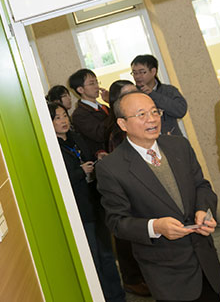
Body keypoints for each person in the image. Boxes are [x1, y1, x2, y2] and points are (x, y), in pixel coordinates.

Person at [96, 91, 220, 302]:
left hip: (205, 260)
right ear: (123, 124)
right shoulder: (111, 168)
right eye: (141, 114)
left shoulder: (179, 146)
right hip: (167, 271)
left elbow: (201, 186)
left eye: (155, 112)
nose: (152, 119)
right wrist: (155, 227)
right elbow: (117, 222)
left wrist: (204, 210)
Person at [48, 102, 126, 302]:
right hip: (79, 209)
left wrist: (98, 156)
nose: (63, 121)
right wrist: (80, 172)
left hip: (96, 202)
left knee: (107, 254)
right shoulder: (52, 148)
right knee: (93, 258)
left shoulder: (75, 138)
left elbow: (89, 156)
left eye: (64, 116)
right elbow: (57, 180)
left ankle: (118, 296)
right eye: (57, 118)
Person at [101, 80, 150, 297]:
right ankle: (133, 279)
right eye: (126, 94)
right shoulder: (117, 131)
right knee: (129, 236)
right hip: (130, 191)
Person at [130, 54, 187, 137]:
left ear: (153, 71)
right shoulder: (132, 95)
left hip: (172, 139)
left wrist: (153, 95)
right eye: (134, 73)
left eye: (142, 72)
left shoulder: (169, 90)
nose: (137, 76)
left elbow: (181, 111)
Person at [69, 69, 111, 158]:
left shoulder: (103, 106)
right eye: (92, 83)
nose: (97, 86)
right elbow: (101, 134)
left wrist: (111, 102)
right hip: (104, 156)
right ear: (80, 89)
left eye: (97, 82)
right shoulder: (79, 115)